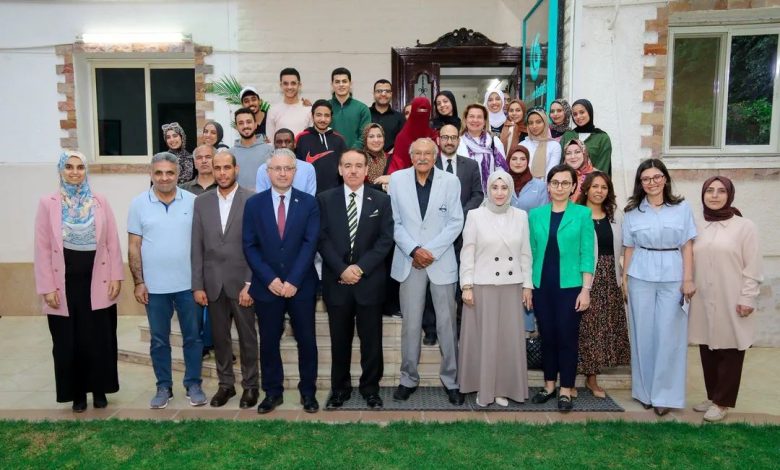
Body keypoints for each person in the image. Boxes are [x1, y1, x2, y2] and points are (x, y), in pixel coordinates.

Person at [34, 151, 123, 412]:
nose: (75, 172)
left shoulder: (100, 201)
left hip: (98, 281)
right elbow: (42, 248)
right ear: (61, 170)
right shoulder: (47, 203)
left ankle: (100, 389)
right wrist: (47, 287)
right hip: (64, 285)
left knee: (100, 338)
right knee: (68, 341)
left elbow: (112, 241)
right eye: (69, 167)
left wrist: (116, 276)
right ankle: (77, 394)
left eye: (80, 167)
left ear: (86, 170)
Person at [243, 149, 320, 414]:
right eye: (277, 168)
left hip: (301, 286)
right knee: (268, 341)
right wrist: (270, 279)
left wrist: (293, 280)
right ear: (268, 172)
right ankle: (272, 392)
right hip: (267, 287)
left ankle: (308, 392)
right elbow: (249, 245)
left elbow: (310, 243)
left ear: (295, 172)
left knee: (307, 341)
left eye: (288, 168)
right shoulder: (254, 204)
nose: (283, 173)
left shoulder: (309, 203)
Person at [389, 138, 465, 405]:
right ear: (411, 156)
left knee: (447, 325)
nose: (422, 158)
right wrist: (414, 250)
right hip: (409, 261)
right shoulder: (397, 180)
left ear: (435, 156)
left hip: (440, 261)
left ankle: (452, 380)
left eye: (427, 153)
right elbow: (394, 222)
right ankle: (408, 378)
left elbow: (456, 221)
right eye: (417, 153)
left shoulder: (450, 181)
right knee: (410, 324)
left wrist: (429, 251)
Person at [128, 152, 206, 409]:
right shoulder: (138, 204)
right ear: (151, 174)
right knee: (159, 340)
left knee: (193, 338)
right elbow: (134, 246)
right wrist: (139, 282)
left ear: (178, 174)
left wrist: (201, 282)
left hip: (188, 286)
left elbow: (202, 244)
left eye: (170, 172)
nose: (164, 178)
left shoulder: (193, 202)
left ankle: (193, 384)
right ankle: (163, 387)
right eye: (159, 173)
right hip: (155, 288)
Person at [318, 149, 395, 409]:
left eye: (358, 165)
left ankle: (370, 389)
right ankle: (340, 389)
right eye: (348, 165)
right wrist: (342, 269)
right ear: (340, 169)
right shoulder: (325, 199)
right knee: (339, 341)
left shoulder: (381, 200)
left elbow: (385, 240)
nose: (353, 170)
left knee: (371, 341)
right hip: (337, 281)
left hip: (369, 282)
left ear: (366, 170)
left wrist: (360, 268)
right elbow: (321, 239)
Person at [622, 158, 696, 416]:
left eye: (656, 177)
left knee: (670, 336)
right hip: (640, 275)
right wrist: (624, 279)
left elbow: (687, 245)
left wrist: (688, 279)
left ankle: (665, 395)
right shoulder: (632, 212)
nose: (651, 182)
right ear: (640, 183)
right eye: (646, 179)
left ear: (665, 179)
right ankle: (645, 393)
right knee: (642, 335)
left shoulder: (682, 208)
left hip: (673, 275)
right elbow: (629, 248)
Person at [689, 176, 763, 422]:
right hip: (702, 298)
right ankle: (713, 396)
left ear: (729, 195)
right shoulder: (697, 225)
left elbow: (753, 265)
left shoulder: (744, 226)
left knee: (730, 349)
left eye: (721, 191)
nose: (714, 195)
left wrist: (748, 297)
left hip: (732, 297)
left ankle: (722, 402)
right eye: (709, 190)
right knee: (707, 346)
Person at [191, 149, 260, 409]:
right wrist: (197, 285)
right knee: (220, 338)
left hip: (243, 283)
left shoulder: (252, 199)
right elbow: (196, 246)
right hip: (213, 283)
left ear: (236, 169)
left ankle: (251, 386)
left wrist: (250, 283)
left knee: (247, 338)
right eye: (217, 168)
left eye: (226, 168)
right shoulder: (201, 202)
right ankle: (226, 385)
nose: (222, 173)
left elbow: (258, 245)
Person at [458, 170, 533, 407]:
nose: (499, 193)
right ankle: (485, 388)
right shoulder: (475, 215)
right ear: (488, 190)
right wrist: (466, 285)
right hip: (483, 285)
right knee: (485, 340)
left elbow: (525, 253)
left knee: (507, 340)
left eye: (504, 188)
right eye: (494, 187)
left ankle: (502, 389)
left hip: (512, 285)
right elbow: (467, 252)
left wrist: (527, 285)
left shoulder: (521, 216)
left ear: (510, 190)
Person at [528, 164, 595, 412]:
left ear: (574, 187)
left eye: (565, 183)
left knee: (567, 337)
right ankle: (548, 386)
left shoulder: (583, 214)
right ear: (548, 186)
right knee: (547, 336)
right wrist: (528, 287)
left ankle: (566, 388)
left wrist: (586, 289)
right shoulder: (535, 215)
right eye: (555, 182)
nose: (560, 187)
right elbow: (530, 252)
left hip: (570, 287)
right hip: (542, 286)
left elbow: (587, 254)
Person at [575, 171, 630, 398]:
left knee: (601, 331)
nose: (599, 191)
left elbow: (626, 247)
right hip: (584, 278)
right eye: (595, 186)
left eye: (604, 187)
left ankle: (592, 379)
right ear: (586, 189)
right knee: (584, 330)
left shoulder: (615, 217)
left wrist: (624, 277)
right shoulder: (577, 214)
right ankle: (574, 378)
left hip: (609, 279)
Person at [295, 99, 348, 194]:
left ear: (331, 117)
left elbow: (345, 168)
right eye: (319, 115)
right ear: (312, 116)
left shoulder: (339, 139)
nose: (323, 119)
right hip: (308, 193)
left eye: (327, 115)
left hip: (333, 194)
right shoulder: (301, 138)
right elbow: (296, 167)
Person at [457, 103, 509, 192]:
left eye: (479, 117)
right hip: (465, 194)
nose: (475, 120)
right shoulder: (458, 142)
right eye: (471, 116)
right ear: (465, 119)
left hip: (491, 194)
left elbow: (502, 171)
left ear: (485, 121)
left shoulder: (494, 142)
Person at [560, 99, 612, 176]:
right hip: (568, 181)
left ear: (589, 112)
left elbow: (603, 168)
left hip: (592, 182)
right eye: (575, 114)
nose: (578, 116)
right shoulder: (568, 135)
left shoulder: (602, 138)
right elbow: (561, 164)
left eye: (582, 112)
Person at [257, 129, 317, 195]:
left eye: (288, 142)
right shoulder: (263, 169)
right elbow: (261, 198)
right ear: (274, 145)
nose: (283, 145)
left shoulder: (308, 169)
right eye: (279, 142)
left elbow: (310, 198)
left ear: (294, 144)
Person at [387, 96, 437, 174]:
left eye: (425, 111)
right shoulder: (402, 137)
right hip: (405, 177)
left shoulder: (433, 135)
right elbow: (397, 165)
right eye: (418, 111)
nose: (421, 114)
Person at [328, 67, 371, 149]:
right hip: (329, 154)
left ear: (350, 84)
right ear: (332, 85)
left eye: (344, 81)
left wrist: (351, 153)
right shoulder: (325, 107)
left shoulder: (362, 108)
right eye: (337, 82)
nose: (341, 85)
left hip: (355, 155)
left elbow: (364, 136)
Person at [232, 107, 274, 191]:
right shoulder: (229, 154)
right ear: (236, 127)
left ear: (255, 124)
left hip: (263, 198)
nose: (245, 126)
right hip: (238, 198)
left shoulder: (270, 151)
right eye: (241, 123)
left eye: (249, 122)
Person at [265, 67, 313, 138]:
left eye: (293, 83)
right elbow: (270, 140)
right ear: (281, 85)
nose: (289, 87)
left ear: (299, 85)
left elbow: (312, 138)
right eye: (285, 83)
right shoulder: (272, 110)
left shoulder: (309, 110)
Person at [519, 108, 560, 183]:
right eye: (531, 123)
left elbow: (551, 172)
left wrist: (540, 188)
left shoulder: (554, 145)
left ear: (545, 123)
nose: (534, 126)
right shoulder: (522, 145)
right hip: (523, 185)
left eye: (538, 122)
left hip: (546, 186)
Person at [506, 144, 549, 213]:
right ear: (508, 161)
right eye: (514, 159)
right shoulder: (501, 183)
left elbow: (543, 213)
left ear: (527, 161)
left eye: (523, 159)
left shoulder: (540, 186)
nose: (518, 162)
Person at [369, 79, 404, 152]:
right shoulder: (365, 114)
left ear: (391, 94)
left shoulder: (400, 117)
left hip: (392, 157)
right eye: (379, 91)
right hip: (367, 157)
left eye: (387, 91)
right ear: (374, 93)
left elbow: (403, 141)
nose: (383, 94)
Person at [361, 123, 392, 190]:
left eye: (379, 136)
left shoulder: (392, 159)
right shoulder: (358, 159)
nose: (376, 140)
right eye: (371, 136)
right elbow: (355, 186)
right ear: (365, 139)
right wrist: (382, 186)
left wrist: (392, 178)